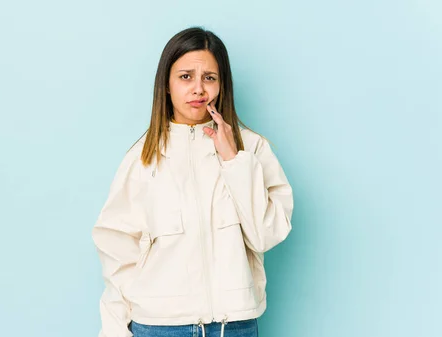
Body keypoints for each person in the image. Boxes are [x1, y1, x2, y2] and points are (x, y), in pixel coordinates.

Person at [92, 27, 294, 337]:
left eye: (209, 78)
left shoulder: (251, 149)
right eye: (186, 76)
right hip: (160, 327)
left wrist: (233, 161)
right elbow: (117, 253)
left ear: (222, 85)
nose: (198, 89)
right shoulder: (142, 157)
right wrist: (115, 330)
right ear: (167, 86)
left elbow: (264, 236)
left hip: (235, 326)